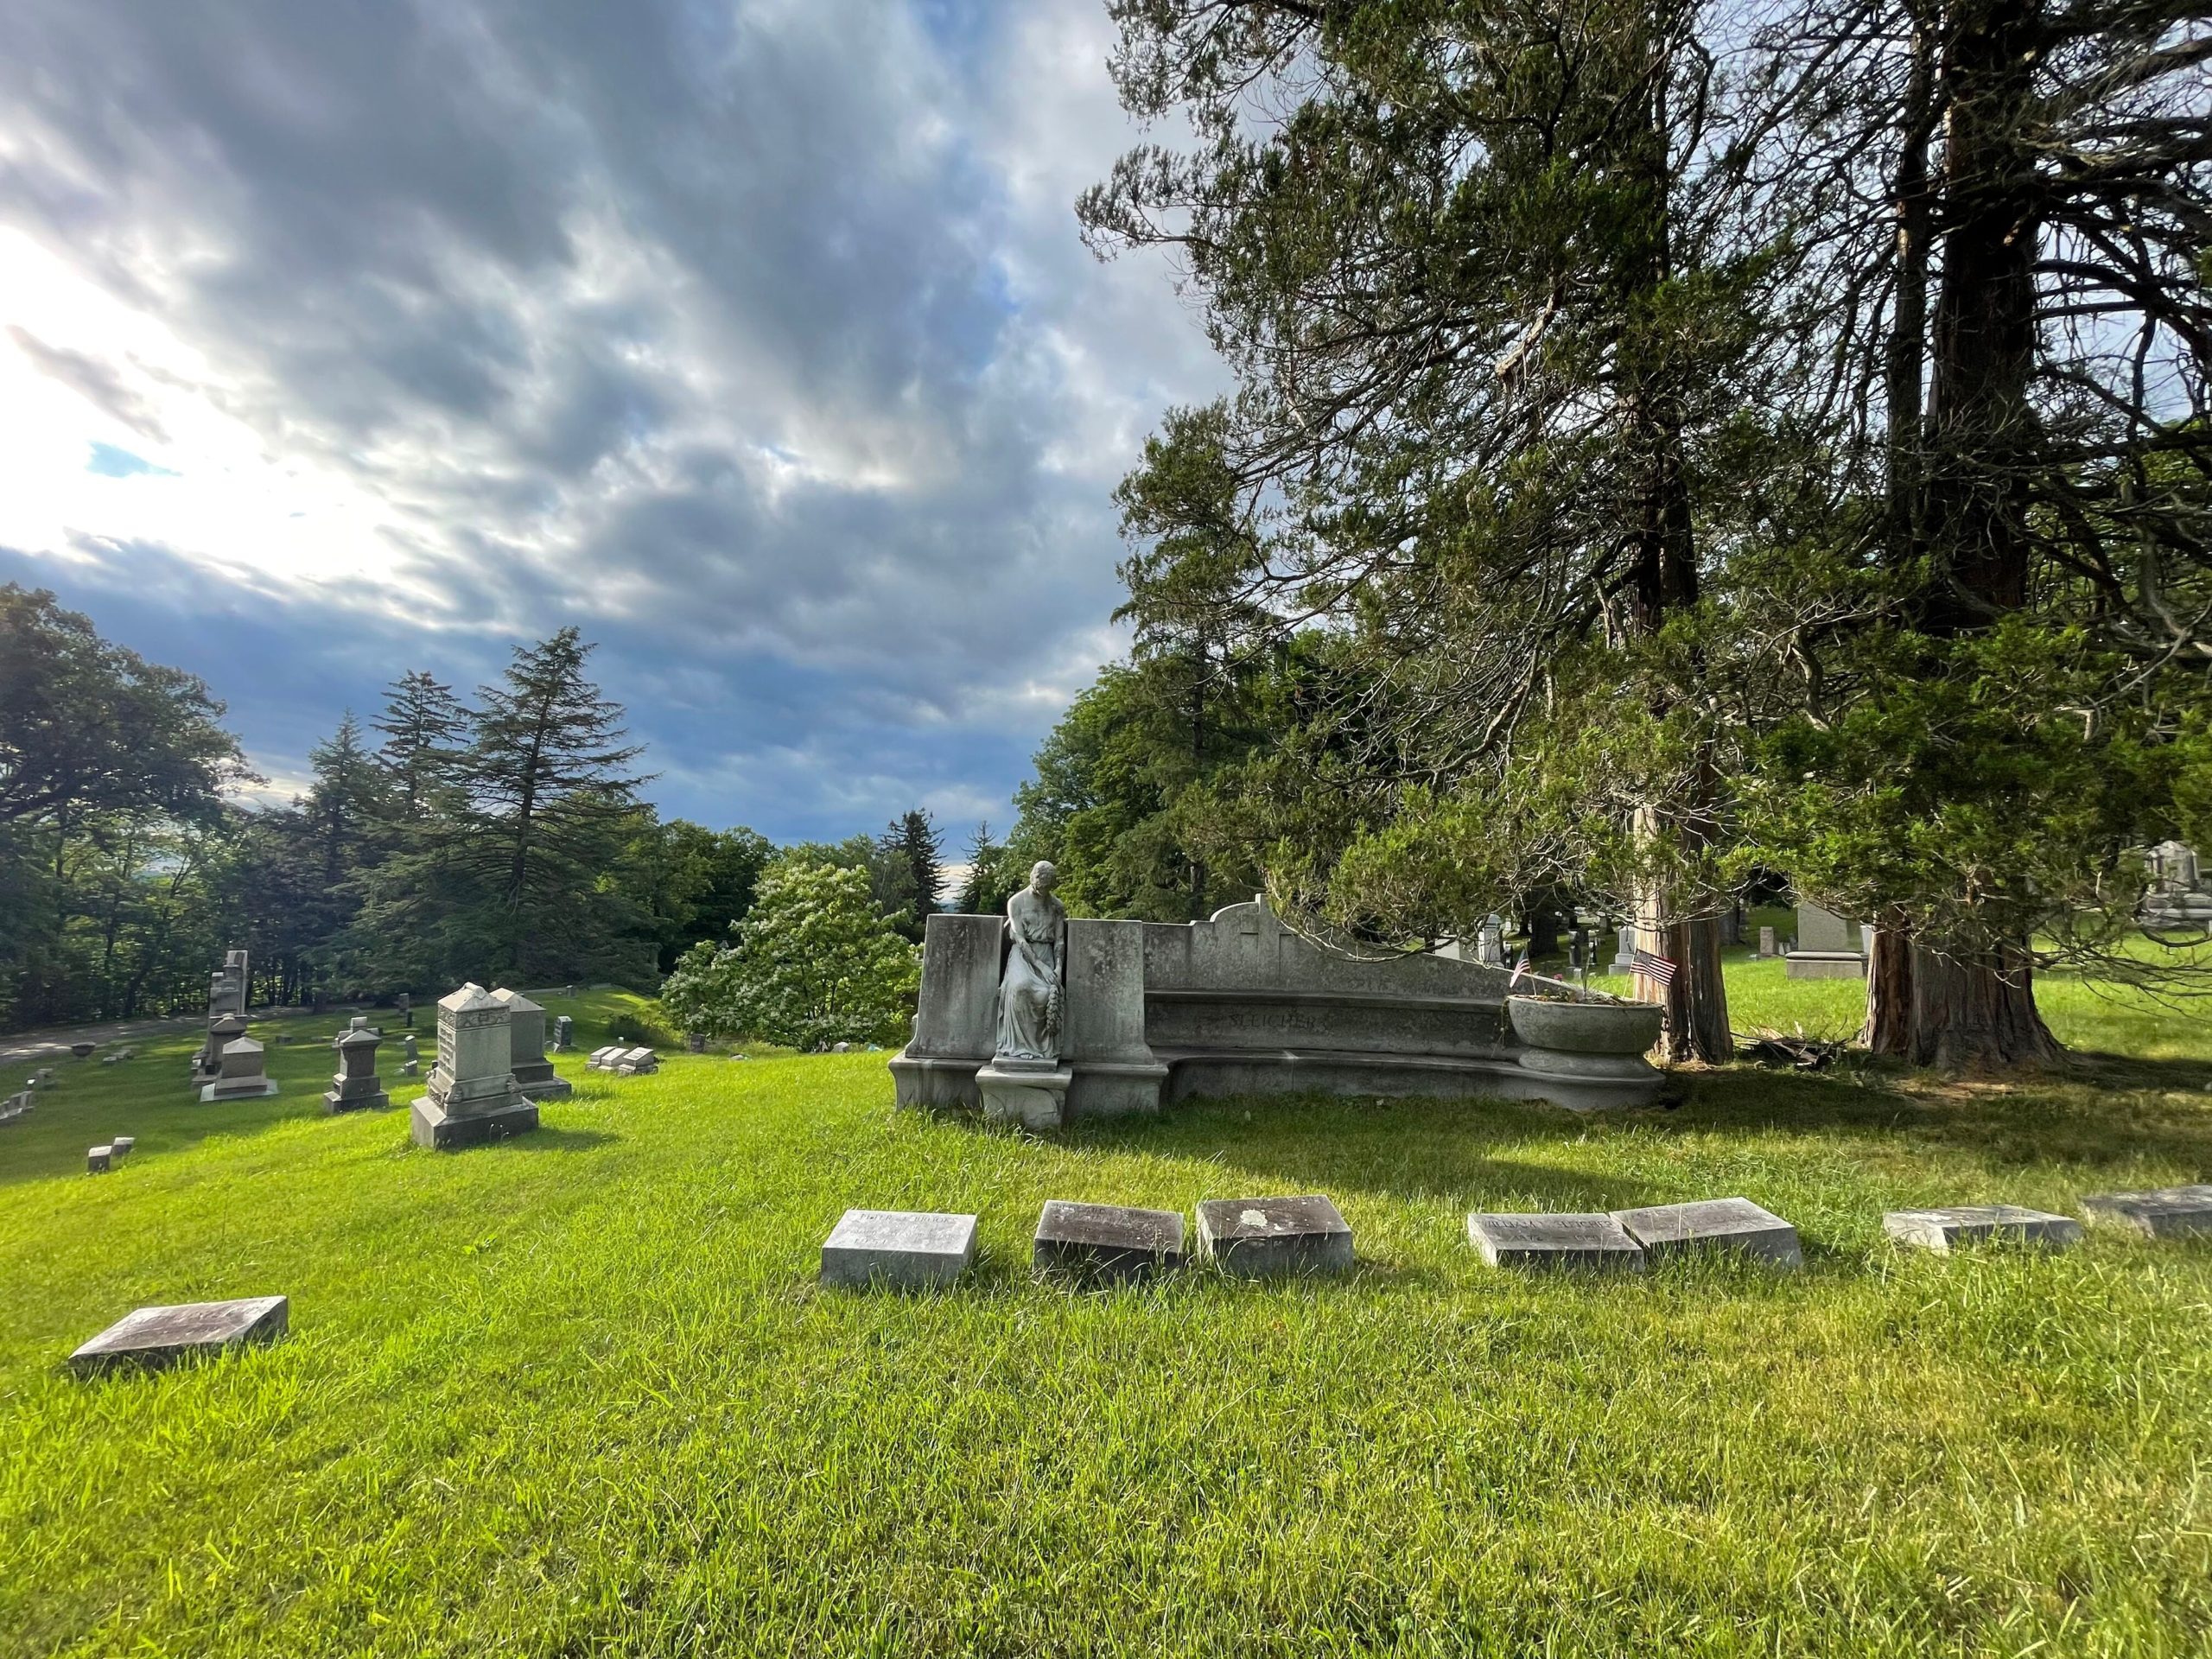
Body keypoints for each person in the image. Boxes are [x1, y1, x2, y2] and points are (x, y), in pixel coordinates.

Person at [995, 861, 1066, 1063]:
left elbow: (1059, 941)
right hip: (1023, 955)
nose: (1042, 891)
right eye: (1039, 886)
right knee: (1020, 988)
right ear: (1032, 878)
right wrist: (1041, 967)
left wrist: (1058, 967)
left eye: (1047, 888)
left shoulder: (1056, 906)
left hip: (1046, 953)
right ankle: (1020, 1047)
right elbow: (1019, 937)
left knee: (1047, 993)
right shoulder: (1016, 902)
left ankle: (1041, 1049)